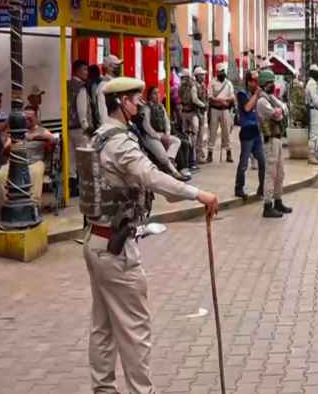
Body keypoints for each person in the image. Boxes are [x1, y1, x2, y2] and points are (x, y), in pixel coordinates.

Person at [81, 76, 219, 394]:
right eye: (134, 99)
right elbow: (151, 176)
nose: (139, 104)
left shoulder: (101, 135)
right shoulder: (119, 142)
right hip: (116, 250)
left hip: (97, 241)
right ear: (121, 103)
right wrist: (198, 194)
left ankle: (103, 389)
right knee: (135, 328)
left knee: (103, 326)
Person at [0, 105, 57, 205]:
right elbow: (5, 150)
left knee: (36, 172)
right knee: (0, 175)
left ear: (35, 118)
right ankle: (10, 203)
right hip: (15, 162)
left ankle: (33, 204)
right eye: (25, 118)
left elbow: (53, 139)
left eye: (30, 118)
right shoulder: (16, 131)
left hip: (35, 162)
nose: (27, 120)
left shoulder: (42, 130)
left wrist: (34, 136)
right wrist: (13, 142)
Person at [257, 70, 292, 218]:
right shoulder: (262, 101)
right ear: (265, 84)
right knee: (271, 174)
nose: (273, 85)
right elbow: (277, 116)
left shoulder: (270, 98)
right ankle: (267, 205)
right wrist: (280, 111)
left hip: (276, 138)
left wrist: (281, 110)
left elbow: (284, 109)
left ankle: (278, 200)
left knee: (280, 173)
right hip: (270, 139)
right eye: (271, 82)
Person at [138, 87, 188, 181]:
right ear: (149, 96)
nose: (157, 95)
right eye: (154, 94)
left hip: (161, 134)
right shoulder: (146, 108)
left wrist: (167, 134)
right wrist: (158, 137)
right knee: (163, 156)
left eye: (158, 93)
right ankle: (175, 173)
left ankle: (170, 159)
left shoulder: (161, 106)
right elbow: (146, 126)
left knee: (176, 141)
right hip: (150, 137)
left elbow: (166, 122)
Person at [234, 70, 266, 200]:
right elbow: (247, 108)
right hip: (247, 132)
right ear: (249, 82)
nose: (257, 83)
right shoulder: (242, 94)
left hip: (256, 132)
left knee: (262, 161)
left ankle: (262, 188)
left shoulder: (256, 94)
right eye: (254, 81)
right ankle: (239, 188)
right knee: (243, 163)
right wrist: (256, 95)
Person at [68, 59, 93, 199]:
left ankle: (72, 187)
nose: (86, 72)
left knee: (71, 159)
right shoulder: (81, 88)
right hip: (79, 128)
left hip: (68, 128)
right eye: (84, 69)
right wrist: (86, 128)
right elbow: (82, 110)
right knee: (84, 158)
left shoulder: (66, 85)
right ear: (77, 70)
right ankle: (84, 186)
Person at [207, 63, 235, 164]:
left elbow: (232, 97)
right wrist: (220, 101)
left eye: (222, 72)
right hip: (214, 110)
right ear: (217, 73)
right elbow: (210, 97)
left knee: (226, 132)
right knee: (212, 132)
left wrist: (225, 101)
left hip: (225, 110)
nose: (221, 74)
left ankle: (228, 154)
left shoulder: (228, 83)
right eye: (219, 72)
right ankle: (209, 154)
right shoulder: (212, 83)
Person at [93, 55, 123, 125]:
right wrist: (106, 128)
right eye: (116, 65)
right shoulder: (103, 85)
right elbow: (102, 110)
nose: (119, 67)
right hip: (111, 126)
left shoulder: (116, 83)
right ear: (109, 68)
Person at [192, 67, 209, 162]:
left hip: (201, 113)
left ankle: (198, 156)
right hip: (195, 113)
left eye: (204, 74)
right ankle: (194, 157)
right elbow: (194, 99)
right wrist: (203, 105)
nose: (203, 76)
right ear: (197, 76)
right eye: (202, 75)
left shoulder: (202, 85)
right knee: (196, 134)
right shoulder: (194, 86)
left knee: (200, 135)